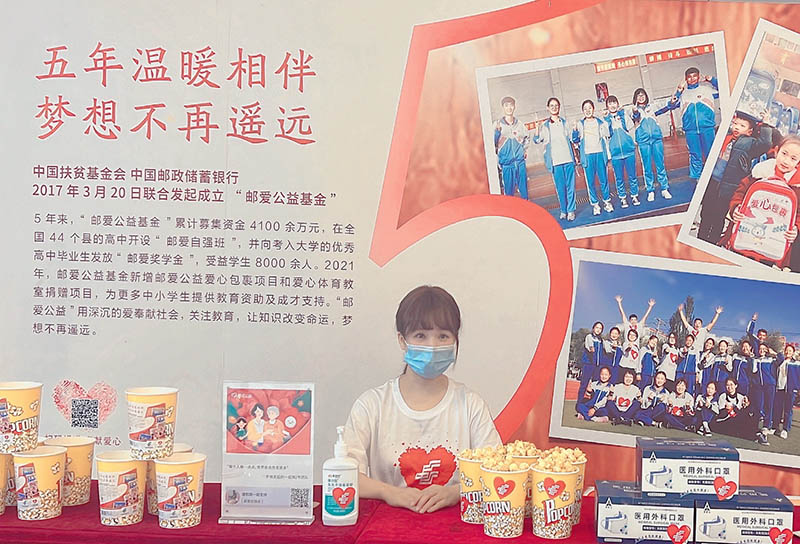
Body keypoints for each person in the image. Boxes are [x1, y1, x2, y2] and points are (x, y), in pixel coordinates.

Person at [343, 286, 501, 514]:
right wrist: (390, 493)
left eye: (443, 336)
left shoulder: (471, 404)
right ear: (402, 340)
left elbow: (497, 471)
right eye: (420, 335)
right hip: (387, 525)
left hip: (455, 526)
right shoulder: (371, 405)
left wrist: (456, 492)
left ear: (455, 340)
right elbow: (344, 476)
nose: (432, 346)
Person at [696, 112, 773, 244]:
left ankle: (713, 241)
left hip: (728, 187)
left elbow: (765, 144)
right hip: (713, 182)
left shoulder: (749, 143)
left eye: (742, 126)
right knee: (706, 212)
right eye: (735, 124)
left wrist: (765, 124)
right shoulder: (725, 137)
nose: (737, 127)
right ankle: (700, 238)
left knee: (719, 216)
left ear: (749, 132)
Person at [726, 136, 800, 266]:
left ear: (798, 163)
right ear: (776, 151)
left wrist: (795, 229)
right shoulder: (760, 172)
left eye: (793, 158)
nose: (786, 161)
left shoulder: (797, 186)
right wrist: (736, 208)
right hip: (745, 233)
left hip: (773, 242)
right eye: (784, 154)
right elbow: (740, 193)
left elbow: (798, 214)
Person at [660, 67, 719, 181]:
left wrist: (711, 79)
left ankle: (715, 176)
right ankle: (698, 178)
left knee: (711, 153)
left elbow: (724, 90)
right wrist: (679, 90)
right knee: (695, 154)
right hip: (691, 130)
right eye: (689, 77)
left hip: (707, 128)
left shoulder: (707, 90)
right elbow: (671, 105)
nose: (692, 79)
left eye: (694, 76)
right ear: (686, 79)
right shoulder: (683, 94)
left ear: (699, 76)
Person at [533, 97, 577, 221]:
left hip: (568, 159)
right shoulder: (545, 126)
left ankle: (571, 210)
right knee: (560, 188)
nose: (554, 107)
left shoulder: (565, 123)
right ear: (548, 108)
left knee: (570, 187)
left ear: (559, 107)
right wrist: (537, 129)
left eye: (556, 105)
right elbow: (537, 140)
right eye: (551, 106)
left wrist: (575, 130)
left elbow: (573, 139)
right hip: (555, 161)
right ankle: (563, 210)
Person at [572, 99, 613, 216]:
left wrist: (606, 119)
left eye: (589, 108)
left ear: (593, 109)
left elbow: (608, 133)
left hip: (600, 154)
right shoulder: (580, 124)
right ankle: (595, 204)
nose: (588, 110)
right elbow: (575, 140)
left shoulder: (600, 122)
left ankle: (607, 202)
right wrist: (574, 130)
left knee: (604, 180)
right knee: (590, 182)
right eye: (585, 109)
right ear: (582, 111)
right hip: (588, 155)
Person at [631, 87, 671, 202]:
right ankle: (650, 190)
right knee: (647, 167)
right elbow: (635, 118)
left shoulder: (652, 107)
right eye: (638, 95)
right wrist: (635, 112)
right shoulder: (633, 110)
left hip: (656, 140)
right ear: (635, 98)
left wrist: (673, 100)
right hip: (643, 142)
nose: (641, 97)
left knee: (660, 165)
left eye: (642, 95)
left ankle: (664, 188)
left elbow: (667, 107)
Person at [603, 95, 640, 208]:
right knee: (619, 178)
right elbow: (606, 134)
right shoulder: (606, 119)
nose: (612, 105)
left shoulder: (624, 115)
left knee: (632, 175)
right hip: (616, 155)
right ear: (607, 106)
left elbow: (630, 128)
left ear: (618, 104)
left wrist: (632, 143)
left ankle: (634, 195)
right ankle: (623, 197)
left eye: (614, 102)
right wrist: (607, 119)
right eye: (610, 103)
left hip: (628, 152)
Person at [712, 378, 769, 445]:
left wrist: (746, 405)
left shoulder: (740, 397)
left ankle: (757, 434)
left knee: (749, 415)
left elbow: (742, 411)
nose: (729, 387)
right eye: (727, 385)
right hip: (726, 420)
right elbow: (722, 414)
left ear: (736, 386)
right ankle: (757, 434)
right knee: (739, 426)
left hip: (738, 420)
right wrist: (729, 409)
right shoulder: (723, 396)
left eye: (731, 385)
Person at [494, 96, 529, 200]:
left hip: (520, 163)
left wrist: (524, 150)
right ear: (503, 107)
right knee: (509, 196)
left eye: (511, 105)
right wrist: (497, 133)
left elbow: (527, 137)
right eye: (506, 105)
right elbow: (493, 143)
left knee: (524, 193)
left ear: (514, 107)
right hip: (507, 165)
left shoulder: (520, 124)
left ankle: (526, 209)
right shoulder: (497, 125)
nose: (509, 108)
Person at [772, 344, 799, 439]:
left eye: (790, 350)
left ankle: (785, 429)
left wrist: (797, 388)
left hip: (790, 389)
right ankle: (775, 426)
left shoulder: (796, 363)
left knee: (788, 410)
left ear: (793, 352)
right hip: (780, 388)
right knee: (777, 408)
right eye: (786, 350)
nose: (788, 352)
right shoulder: (781, 362)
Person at [751, 343, 778, 434]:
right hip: (759, 386)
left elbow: (781, 360)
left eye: (764, 348)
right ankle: (758, 424)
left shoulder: (771, 359)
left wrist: (774, 353)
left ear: (767, 350)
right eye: (760, 348)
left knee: (769, 406)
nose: (762, 350)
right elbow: (753, 370)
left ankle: (766, 426)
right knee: (759, 405)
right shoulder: (756, 359)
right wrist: (753, 359)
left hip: (770, 385)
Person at [577, 321, 605, 405]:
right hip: (589, 363)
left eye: (600, 328)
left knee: (595, 385)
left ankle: (592, 403)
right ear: (593, 328)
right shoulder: (589, 337)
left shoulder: (601, 340)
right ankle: (579, 403)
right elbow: (590, 347)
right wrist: (591, 348)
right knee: (584, 384)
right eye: (597, 327)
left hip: (597, 365)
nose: (598, 329)